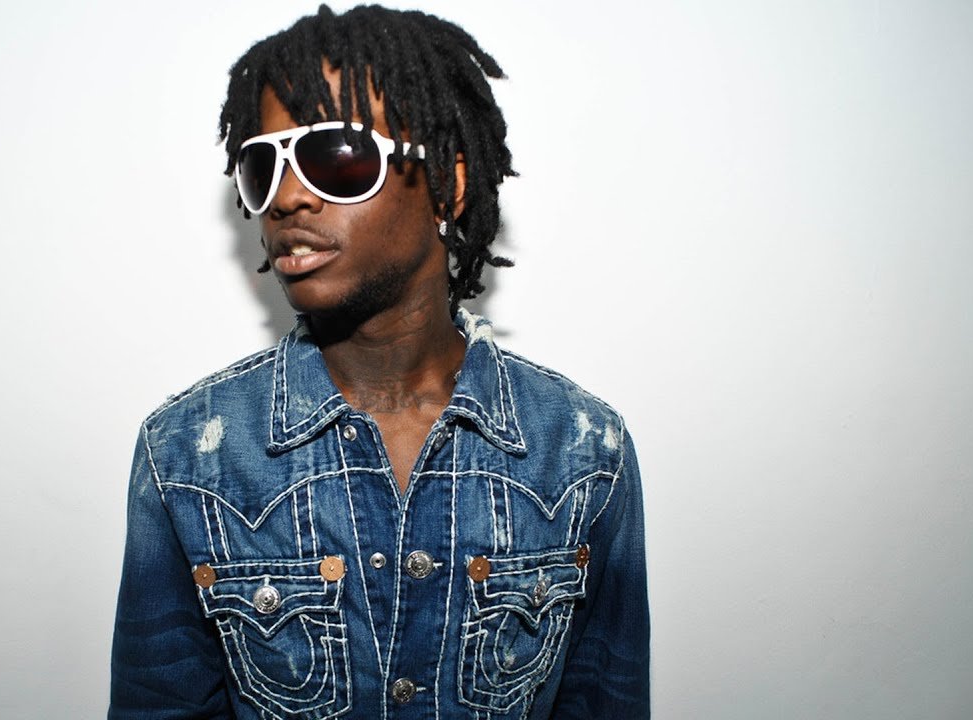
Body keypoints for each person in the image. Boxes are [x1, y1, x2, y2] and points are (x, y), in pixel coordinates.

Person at [110, 5, 648, 718]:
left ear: (447, 185)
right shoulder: (186, 454)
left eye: (336, 156)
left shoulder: (583, 450)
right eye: (263, 167)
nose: (288, 198)